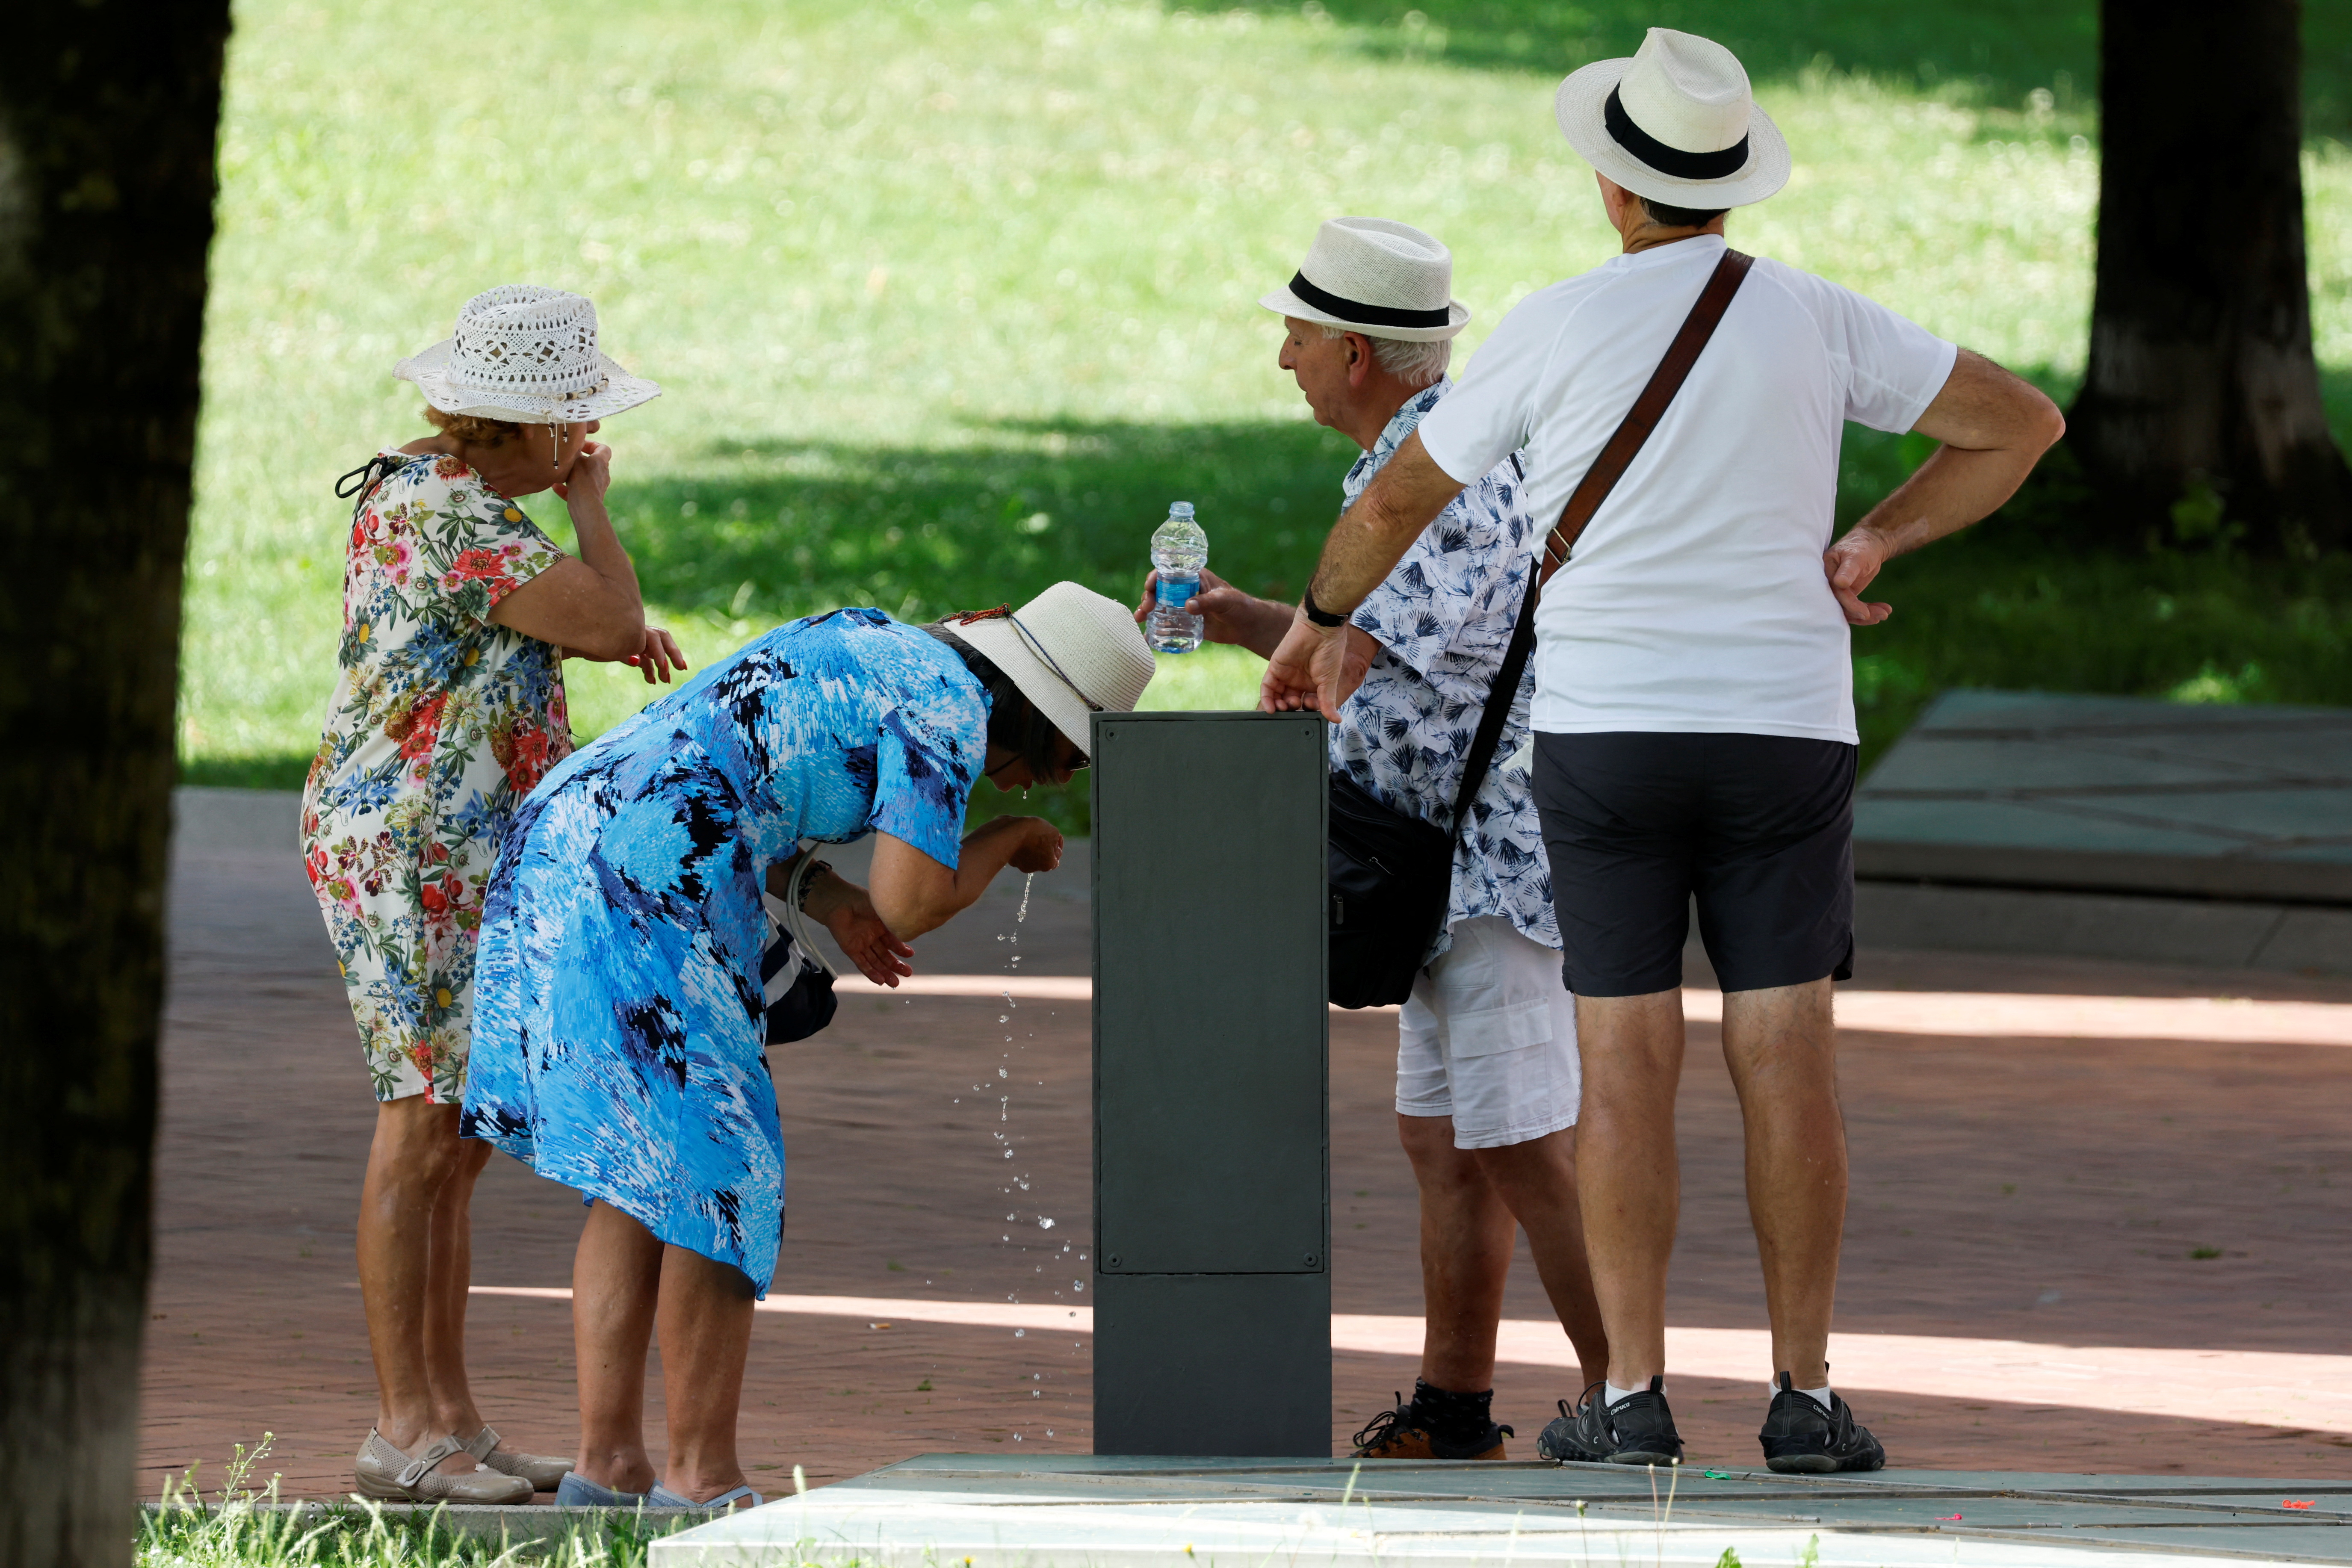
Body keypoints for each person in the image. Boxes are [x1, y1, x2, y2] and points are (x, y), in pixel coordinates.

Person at [1261, 29, 2063, 1472]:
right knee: (1787, 1055)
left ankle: (1629, 1393)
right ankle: (1806, 1393)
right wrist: (1879, 533)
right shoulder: (1817, 317)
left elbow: (1392, 506)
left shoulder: (1555, 325)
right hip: (1787, 729)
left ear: (1613, 189)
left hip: (1607, 733)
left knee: (1624, 1057)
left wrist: (1318, 616)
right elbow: (2020, 424)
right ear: (1728, 186)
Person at [461, 583, 1155, 1510]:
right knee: (722, 1176)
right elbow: (916, 900)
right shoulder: (949, 711)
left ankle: (609, 1467)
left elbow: (737, 774)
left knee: (635, 1171)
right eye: (1069, 751)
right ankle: (702, 1480)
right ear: (1034, 711)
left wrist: (830, 902)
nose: (1058, 781)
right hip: (652, 880)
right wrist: (1004, 838)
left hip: (570, 836)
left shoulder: (876, 644)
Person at [1142, 217, 1606, 1462]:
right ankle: (1455, 1404)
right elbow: (1357, 645)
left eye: (1294, 337)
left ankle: (1628, 1389)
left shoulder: (1432, 481)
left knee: (1518, 1138)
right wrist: (1251, 617)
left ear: (1354, 351)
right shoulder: (1408, 463)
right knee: (1448, 1139)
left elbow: (1344, 654)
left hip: (1482, 867)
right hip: (1430, 862)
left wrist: (1292, 652)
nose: (1282, 358)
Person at [302, 284, 685, 1503]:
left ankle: (449, 1423)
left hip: (458, 842)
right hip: (411, 846)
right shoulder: (446, 505)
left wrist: (558, 513)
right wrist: (591, 509)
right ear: (527, 429)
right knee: (421, 1125)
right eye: (572, 426)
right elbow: (610, 617)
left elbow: (572, 622)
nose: (585, 444)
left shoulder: (445, 490)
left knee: (457, 1137)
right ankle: (403, 1430)